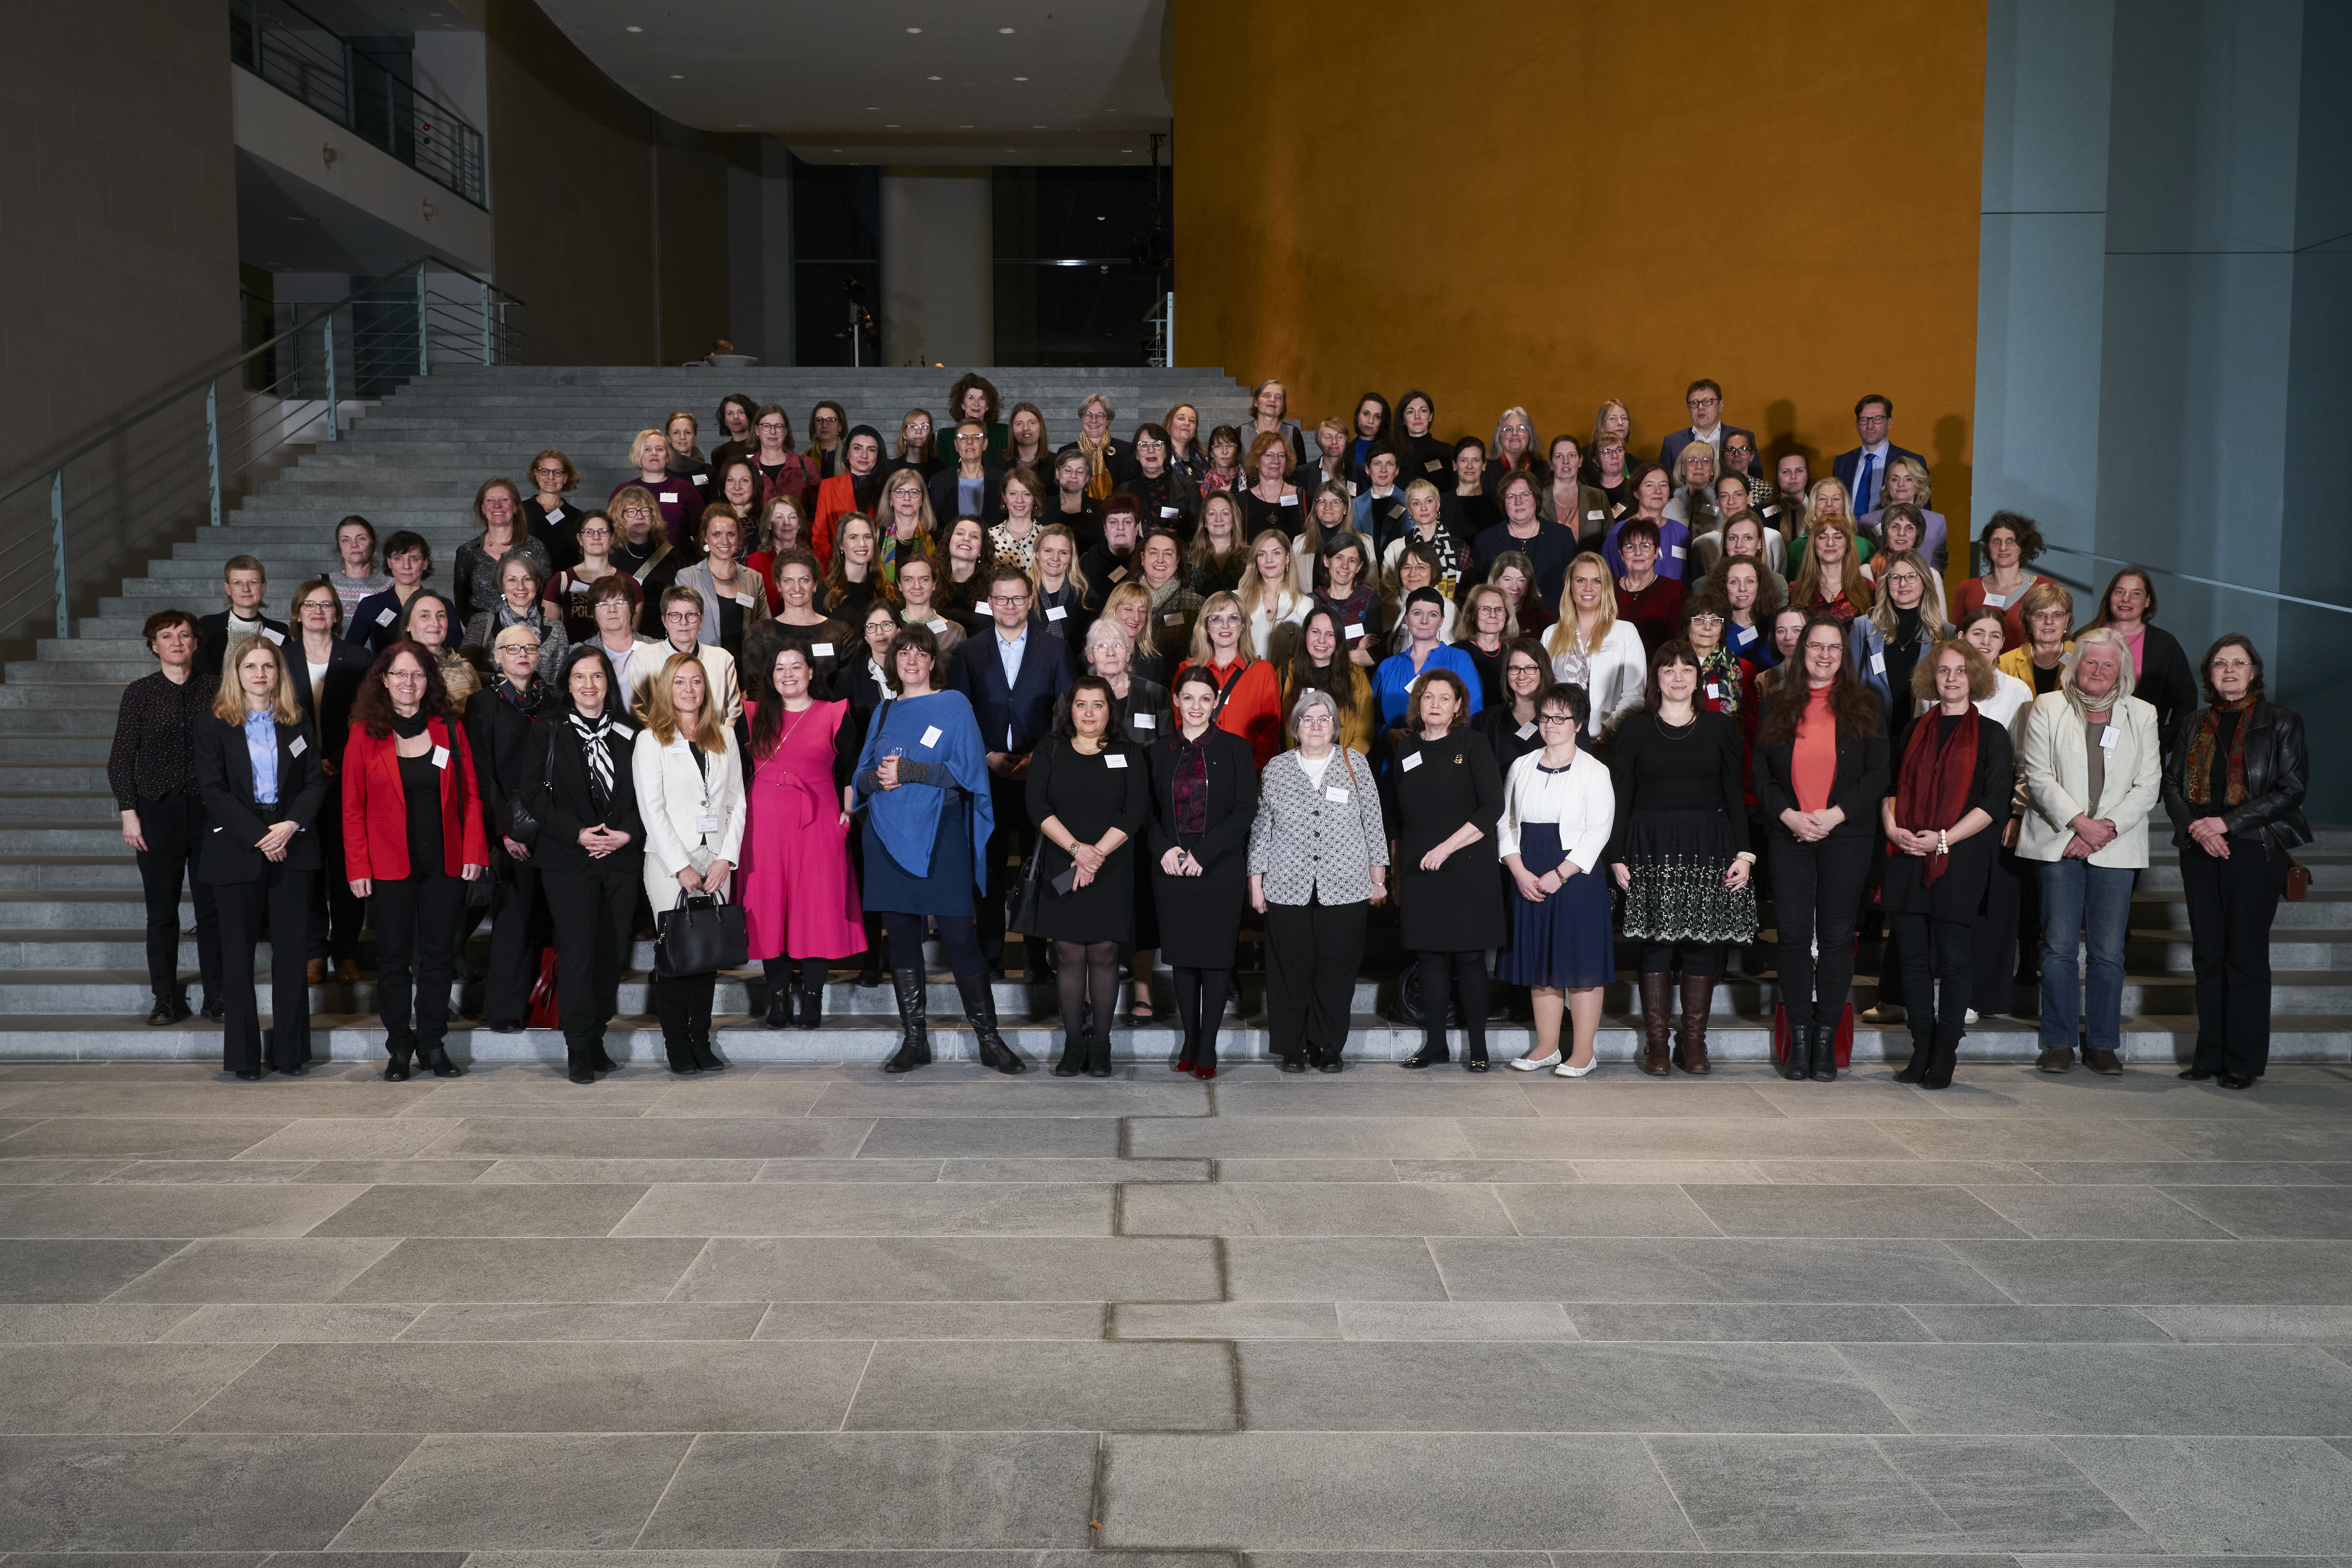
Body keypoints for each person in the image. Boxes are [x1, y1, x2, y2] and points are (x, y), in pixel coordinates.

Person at [853, 624, 1021, 1074]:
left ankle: (989, 1040)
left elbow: (968, 775)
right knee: (902, 937)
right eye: (902, 652)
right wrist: (879, 779)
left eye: (919, 653)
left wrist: (912, 771)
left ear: (931, 661)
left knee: (960, 936)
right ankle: (915, 1041)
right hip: (887, 835)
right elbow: (860, 778)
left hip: (941, 832)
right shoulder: (884, 712)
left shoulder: (954, 705)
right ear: (894, 662)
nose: (910, 660)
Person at [2163, 635, 2308, 1088]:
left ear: (2253, 672)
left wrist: (2223, 825)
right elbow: (2169, 784)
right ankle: (2208, 1055)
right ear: (2208, 674)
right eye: (2220, 664)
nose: (2229, 671)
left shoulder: (2281, 722)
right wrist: (2197, 828)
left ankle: (2242, 1060)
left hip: (2252, 848)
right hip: (2198, 850)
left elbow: (2290, 789)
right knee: (2207, 954)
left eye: (2238, 663)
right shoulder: (2191, 723)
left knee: (2243, 955)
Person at [2018, 628, 2163, 1076]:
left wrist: (2104, 830)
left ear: (2121, 669)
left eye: (2107, 664)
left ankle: (2102, 1044)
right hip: (2059, 840)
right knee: (2058, 948)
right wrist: (2079, 824)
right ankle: (2058, 1042)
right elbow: (2037, 775)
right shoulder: (2047, 707)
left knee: (2107, 952)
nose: (2097, 671)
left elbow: (2148, 785)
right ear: (2074, 665)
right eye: (2089, 662)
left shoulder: (2141, 714)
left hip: (2116, 846)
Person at [1606, 641, 1757, 1076]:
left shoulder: (1721, 728)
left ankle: (1694, 1044)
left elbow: (1733, 796)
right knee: (1655, 944)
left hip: (1708, 844)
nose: (1677, 676)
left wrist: (1744, 854)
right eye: (1667, 668)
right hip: (1648, 844)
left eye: (1686, 669)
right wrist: (1615, 855)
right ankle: (1657, 1045)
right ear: (1655, 677)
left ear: (1698, 677)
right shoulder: (1633, 730)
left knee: (1700, 943)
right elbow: (1620, 797)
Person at [342, 639, 488, 1080]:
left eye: (418, 674)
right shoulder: (364, 734)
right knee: (392, 960)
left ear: (429, 681)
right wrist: (358, 867)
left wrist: (474, 852)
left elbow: (470, 796)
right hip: (387, 868)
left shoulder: (449, 729)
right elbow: (352, 807)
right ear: (383, 679)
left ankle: (432, 1043)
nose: (409, 683)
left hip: (444, 862)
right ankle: (399, 1048)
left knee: (439, 956)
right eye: (399, 674)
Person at [1754, 614, 1890, 1082]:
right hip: (1789, 835)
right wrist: (1789, 815)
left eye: (1834, 648)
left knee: (1834, 941)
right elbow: (1761, 775)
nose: (1824, 655)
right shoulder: (1777, 703)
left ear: (1844, 654)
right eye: (1816, 646)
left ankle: (1825, 1045)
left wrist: (1833, 816)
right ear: (1802, 650)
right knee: (1792, 938)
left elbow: (1877, 775)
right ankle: (1798, 1043)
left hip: (1845, 838)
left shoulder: (1865, 704)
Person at [1879, 639, 2016, 1089]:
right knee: (1912, 961)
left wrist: (1942, 840)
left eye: (1960, 671)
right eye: (1943, 671)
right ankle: (1920, 1047)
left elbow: (1994, 803)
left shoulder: (1993, 734)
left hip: (1959, 858)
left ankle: (1945, 1054)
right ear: (1931, 677)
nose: (1951, 679)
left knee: (1955, 962)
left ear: (1973, 677)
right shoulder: (1913, 728)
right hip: (1906, 855)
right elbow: (1891, 789)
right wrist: (1892, 829)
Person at [196, 636, 326, 1080]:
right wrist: (259, 837)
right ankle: (244, 1059)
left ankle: (290, 1054)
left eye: (268, 666)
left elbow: (314, 784)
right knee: (238, 958)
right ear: (236, 673)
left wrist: (289, 826)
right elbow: (213, 791)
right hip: (237, 847)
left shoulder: (298, 720)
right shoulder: (214, 725)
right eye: (250, 666)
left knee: (292, 956)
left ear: (278, 673)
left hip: (292, 841)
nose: (260, 674)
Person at [519, 646, 644, 1083]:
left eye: (596, 677)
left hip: (620, 859)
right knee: (577, 953)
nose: (588, 686)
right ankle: (576, 1045)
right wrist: (578, 834)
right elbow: (533, 795)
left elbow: (649, 794)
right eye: (579, 678)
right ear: (566, 684)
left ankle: (596, 1036)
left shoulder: (632, 731)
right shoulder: (547, 731)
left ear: (608, 683)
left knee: (610, 953)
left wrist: (624, 833)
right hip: (568, 860)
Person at [1250, 687, 1389, 1072]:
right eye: (1307, 719)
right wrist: (1255, 880)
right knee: (1290, 969)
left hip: (1345, 883)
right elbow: (1263, 827)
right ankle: (1292, 1048)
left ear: (1335, 726)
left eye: (1323, 719)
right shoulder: (1277, 768)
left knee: (1336, 968)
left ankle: (1328, 1045)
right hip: (1285, 882)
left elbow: (1373, 822)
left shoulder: (1354, 762)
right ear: (1296, 726)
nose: (1315, 725)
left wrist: (1378, 876)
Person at [954, 562, 1075, 979]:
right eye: (1002, 598)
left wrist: (1036, 760)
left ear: (1030, 602)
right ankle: (989, 955)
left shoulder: (1054, 649)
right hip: (985, 776)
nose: (1010, 605)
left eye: (1018, 598)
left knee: (1036, 866)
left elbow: (1066, 716)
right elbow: (959, 714)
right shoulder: (969, 651)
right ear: (990, 603)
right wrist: (986, 754)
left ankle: (1035, 958)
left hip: (1036, 777)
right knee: (986, 867)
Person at [1025, 677, 1149, 1077]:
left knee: (1105, 952)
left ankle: (1101, 1044)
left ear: (1110, 711)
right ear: (1069, 709)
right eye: (1082, 705)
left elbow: (1134, 811)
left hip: (1112, 865)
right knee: (1067, 953)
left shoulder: (1127, 751)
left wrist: (1095, 856)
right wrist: (1079, 852)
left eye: (1098, 705)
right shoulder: (1050, 749)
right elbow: (1036, 805)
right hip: (1064, 864)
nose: (1090, 713)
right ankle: (1073, 1043)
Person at [1387, 669, 1507, 1072]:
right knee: (1429, 957)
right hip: (1420, 868)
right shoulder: (1404, 751)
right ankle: (1434, 1045)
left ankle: (1478, 1048)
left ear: (1458, 706)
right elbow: (1396, 816)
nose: (1434, 704)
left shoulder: (1473, 744)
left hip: (1466, 864)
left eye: (1443, 698)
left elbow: (1491, 808)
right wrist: (1394, 872)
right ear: (1417, 704)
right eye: (1427, 697)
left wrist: (1447, 847)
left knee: (1470, 958)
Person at [633, 650, 746, 1074]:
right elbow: (652, 808)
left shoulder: (724, 735)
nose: (689, 689)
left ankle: (701, 1040)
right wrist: (681, 865)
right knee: (676, 956)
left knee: (706, 956)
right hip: (669, 864)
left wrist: (726, 859)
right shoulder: (651, 739)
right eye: (680, 681)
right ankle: (677, 1044)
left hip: (715, 861)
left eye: (696, 681)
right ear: (667, 688)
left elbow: (736, 802)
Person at [111, 611, 225, 1024]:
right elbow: (121, 758)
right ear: (154, 645)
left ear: (196, 643)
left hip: (210, 813)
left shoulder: (217, 689)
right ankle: (164, 997)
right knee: (162, 912)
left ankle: (217, 995)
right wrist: (129, 812)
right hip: (157, 812)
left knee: (212, 910)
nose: (177, 642)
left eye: (184, 635)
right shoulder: (139, 694)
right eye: (166, 636)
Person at [1146, 666, 1259, 1079]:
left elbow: (1246, 809)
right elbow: (1146, 812)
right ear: (1176, 701)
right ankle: (1189, 1040)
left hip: (1219, 867)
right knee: (1182, 961)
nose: (1195, 706)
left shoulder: (1235, 748)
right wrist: (1166, 849)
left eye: (1204, 699)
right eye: (1187, 698)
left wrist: (1205, 853)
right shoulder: (1157, 751)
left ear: (1215, 703)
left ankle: (1207, 1046)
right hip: (1171, 868)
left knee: (1214, 961)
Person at [1499, 683, 1615, 1076]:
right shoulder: (1521, 765)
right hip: (1528, 866)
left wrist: (1559, 874)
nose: (1550, 725)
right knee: (1539, 961)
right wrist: (1517, 869)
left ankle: (1582, 1051)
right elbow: (1506, 822)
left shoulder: (1595, 771)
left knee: (1580, 964)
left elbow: (1598, 830)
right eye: (1545, 716)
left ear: (1578, 724)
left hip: (1575, 873)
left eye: (1560, 718)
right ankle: (1547, 1046)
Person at [465, 623, 552, 1035]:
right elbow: (483, 774)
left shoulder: (553, 700)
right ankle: (504, 1009)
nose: (523, 654)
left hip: (553, 824)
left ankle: (543, 1006)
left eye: (530, 648)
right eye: (512, 648)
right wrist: (505, 831)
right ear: (496, 656)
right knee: (514, 917)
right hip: (510, 828)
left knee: (547, 918)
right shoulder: (482, 704)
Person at [285, 578, 373, 983]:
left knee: (346, 866)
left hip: (347, 775)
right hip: (297, 779)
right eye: (310, 605)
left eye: (326, 605)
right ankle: (313, 950)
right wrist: (309, 764)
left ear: (337, 613)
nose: (318, 612)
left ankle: (347, 951)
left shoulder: (358, 657)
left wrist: (335, 761)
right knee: (307, 868)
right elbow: (272, 719)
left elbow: (367, 717)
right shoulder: (279, 659)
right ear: (298, 612)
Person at [2077, 566, 2199, 745]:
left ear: (2148, 601)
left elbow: (2187, 701)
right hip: (2084, 738)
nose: (2126, 599)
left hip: (2141, 742)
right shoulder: (2085, 637)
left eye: (2136, 594)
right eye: (2120, 592)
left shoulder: (2165, 644)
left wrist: (2164, 741)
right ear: (2110, 596)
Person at [1850, 550, 1948, 758]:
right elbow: (1849, 683)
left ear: (1925, 582)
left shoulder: (1944, 633)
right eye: (1895, 577)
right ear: (1887, 583)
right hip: (1871, 735)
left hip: (1923, 738)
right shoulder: (1864, 627)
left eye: (1911, 576)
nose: (1903, 584)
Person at [1544, 552, 1647, 739]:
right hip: (1558, 738)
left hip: (1607, 739)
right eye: (1581, 581)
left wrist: (1607, 732)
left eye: (1596, 581)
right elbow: (1542, 691)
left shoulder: (1625, 632)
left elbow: (1635, 696)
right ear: (1570, 586)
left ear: (1605, 587)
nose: (1588, 588)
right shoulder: (1550, 635)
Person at [1179, 589, 1286, 768]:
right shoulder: (1187, 670)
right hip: (1196, 770)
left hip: (1245, 771)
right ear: (1206, 626)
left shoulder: (1263, 672)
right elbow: (1178, 723)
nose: (1225, 625)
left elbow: (1270, 734)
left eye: (1233, 618)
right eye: (1217, 619)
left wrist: (1254, 776)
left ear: (1243, 624)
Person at [671, 508, 773, 669]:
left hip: (747, 671)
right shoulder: (687, 578)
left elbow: (765, 629)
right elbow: (678, 631)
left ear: (738, 537)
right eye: (717, 534)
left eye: (731, 534)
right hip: (703, 670)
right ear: (705, 537)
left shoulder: (754, 578)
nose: (725, 541)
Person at [1374, 586, 1484, 731]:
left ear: (1441, 621)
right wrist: (1388, 734)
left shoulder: (1460, 660)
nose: (1424, 621)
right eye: (1417, 613)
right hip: (1396, 751)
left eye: (1433, 615)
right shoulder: (1387, 667)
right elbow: (1369, 722)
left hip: (1447, 750)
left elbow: (1474, 716)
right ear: (1406, 619)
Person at [453, 476, 553, 629]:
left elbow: (548, 597)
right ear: (482, 508)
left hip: (528, 637)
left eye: (504, 500)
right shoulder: (467, 553)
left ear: (515, 508)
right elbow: (462, 604)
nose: (497, 506)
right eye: (490, 501)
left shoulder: (536, 548)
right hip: (483, 638)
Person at [462, 553, 568, 689]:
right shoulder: (481, 623)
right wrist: (509, 682)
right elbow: (464, 673)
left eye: (527, 579)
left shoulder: (557, 629)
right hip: (492, 707)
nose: (521, 587)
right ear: (502, 584)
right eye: (512, 580)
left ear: (537, 583)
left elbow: (560, 684)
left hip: (542, 708)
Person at [1952, 510, 2053, 652]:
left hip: (2027, 672)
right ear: (1988, 546)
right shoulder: (1967, 588)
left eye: (2011, 541)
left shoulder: (2044, 588)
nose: (2003, 548)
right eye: (1996, 541)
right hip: (1977, 671)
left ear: (2022, 546)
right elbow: (1956, 641)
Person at [1472, 470, 1575, 606]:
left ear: (1536, 498)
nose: (1518, 502)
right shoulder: (1485, 541)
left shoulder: (1562, 536)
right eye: (1511, 496)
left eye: (1525, 495)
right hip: (1502, 622)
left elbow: (1574, 584)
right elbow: (1476, 593)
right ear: (1503, 502)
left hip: (1554, 622)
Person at [642, 587, 741, 723]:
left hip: (715, 740)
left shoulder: (723, 659)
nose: (684, 622)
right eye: (675, 615)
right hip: (660, 741)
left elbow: (733, 712)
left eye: (691, 615)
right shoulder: (644, 658)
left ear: (701, 621)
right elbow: (638, 712)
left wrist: (718, 740)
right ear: (664, 621)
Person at [543, 512, 641, 642]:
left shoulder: (630, 584)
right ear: (580, 539)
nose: (596, 537)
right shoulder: (560, 582)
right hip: (573, 659)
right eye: (589, 532)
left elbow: (631, 638)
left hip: (615, 660)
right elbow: (550, 638)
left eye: (603, 531)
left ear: (612, 538)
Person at [196, 556, 288, 683]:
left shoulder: (280, 631)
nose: (246, 589)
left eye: (253, 582)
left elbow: (284, 678)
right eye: (238, 583)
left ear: (263, 587)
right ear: (228, 588)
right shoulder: (207, 626)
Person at [1832, 393, 1926, 518]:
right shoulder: (1842, 462)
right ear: (1857, 425)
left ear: (1890, 423)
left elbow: (1923, 512)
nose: (1870, 426)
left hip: (1893, 535)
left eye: (1877, 419)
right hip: (1849, 536)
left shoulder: (1912, 461)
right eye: (1864, 419)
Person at [1473, 636, 1553, 771]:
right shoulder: (1486, 721)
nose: (1522, 676)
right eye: (1515, 669)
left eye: (1530, 668)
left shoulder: (1564, 718)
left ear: (1543, 670)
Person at [613, 427, 702, 547]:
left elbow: (703, 531)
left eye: (660, 449)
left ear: (667, 455)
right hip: (634, 562)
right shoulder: (623, 491)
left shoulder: (685, 489)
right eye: (647, 449)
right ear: (638, 454)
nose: (654, 453)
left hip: (680, 562)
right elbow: (613, 532)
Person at [1855, 454, 1948, 570]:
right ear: (1887, 485)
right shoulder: (1867, 522)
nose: (1901, 484)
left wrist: (1926, 583)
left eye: (1909, 479)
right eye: (1895, 479)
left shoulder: (1937, 522)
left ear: (1918, 485)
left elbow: (1940, 561)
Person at [1601, 464, 1691, 582]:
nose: (1658, 491)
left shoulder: (1681, 532)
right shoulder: (1619, 531)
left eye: (1663, 485)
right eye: (1650, 485)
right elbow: (1609, 577)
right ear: (1636, 493)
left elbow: (1689, 578)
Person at [814, 424, 888, 567]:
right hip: (838, 566)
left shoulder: (889, 488)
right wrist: (838, 565)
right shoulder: (828, 486)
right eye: (857, 448)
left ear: (878, 456)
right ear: (847, 453)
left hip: (878, 567)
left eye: (871, 450)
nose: (864, 455)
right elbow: (820, 538)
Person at [580, 575, 662, 704]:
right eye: (603, 604)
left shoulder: (658, 649)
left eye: (619, 603)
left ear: (632, 609)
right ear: (593, 613)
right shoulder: (580, 653)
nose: (612, 610)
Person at [1611, 518, 1686, 657]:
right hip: (1613, 666)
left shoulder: (1674, 590)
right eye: (1630, 547)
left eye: (1645, 546)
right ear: (1621, 554)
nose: (1638, 553)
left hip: (1659, 668)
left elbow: (1679, 641)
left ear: (1657, 552)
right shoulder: (1608, 589)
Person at [608, 486, 681, 629]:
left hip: (663, 633)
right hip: (620, 633)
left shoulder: (671, 556)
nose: (640, 516)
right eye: (631, 511)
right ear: (618, 516)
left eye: (645, 511)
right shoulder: (609, 555)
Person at [394, 590, 477, 714]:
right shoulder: (396, 669)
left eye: (441, 616)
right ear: (408, 625)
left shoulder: (465, 667)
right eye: (425, 616)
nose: (435, 623)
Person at [1239, 528, 1312, 660]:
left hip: (1286, 678)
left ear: (1288, 557)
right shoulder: (1238, 599)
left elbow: (1306, 653)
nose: (1269, 560)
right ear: (1255, 560)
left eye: (1276, 553)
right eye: (1262, 554)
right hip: (1247, 676)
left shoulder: (1304, 604)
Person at [1314, 529, 1386, 664]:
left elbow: (1375, 655)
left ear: (1359, 567)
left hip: (1358, 680)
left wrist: (1324, 658)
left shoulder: (1370, 599)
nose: (1345, 566)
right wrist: (1353, 655)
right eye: (1339, 558)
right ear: (1326, 561)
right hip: (1320, 680)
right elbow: (1306, 654)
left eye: (1352, 561)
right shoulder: (1313, 601)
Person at [1659, 378, 1757, 477]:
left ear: (1720, 406)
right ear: (1688, 408)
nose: (1701, 407)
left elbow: (1755, 477)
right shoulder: (1672, 442)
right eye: (1694, 403)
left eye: (1707, 401)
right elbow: (1665, 481)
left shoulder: (1743, 438)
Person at [1789, 514, 1872, 625]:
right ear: (1814, 543)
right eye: (1823, 537)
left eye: (1838, 537)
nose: (1830, 543)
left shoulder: (1868, 589)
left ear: (1848, 544)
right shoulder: (1795, 589)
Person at [1997, 580, 2076, 697]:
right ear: (2028, 619)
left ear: (2067, 620)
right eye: (2040, 615)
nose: (2049, 622)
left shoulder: (2082, 658)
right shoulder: (2006, 663)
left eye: (2057, 615)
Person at [930, 421, 1005, 541]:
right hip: (949, 552)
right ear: (956, 445)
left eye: (976, 438)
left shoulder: (1002, 480)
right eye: (963, 438)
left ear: (985, 444)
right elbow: (935, 526)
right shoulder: (939, 482)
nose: (969, 442)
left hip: (993, 551)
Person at [1130, 425, 1201, 539]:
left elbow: (1197, 533)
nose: (1151, 450)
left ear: (1167, 452)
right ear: (1137, 454)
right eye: (1144, 445)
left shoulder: (1188, 488)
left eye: (1157, 445)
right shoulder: (1125, 491)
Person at [1453, 582, 1514, 708]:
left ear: (1507, 616)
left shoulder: (1514, 654)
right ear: (1473, 615)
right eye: (1485, 609)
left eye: (1499, 610)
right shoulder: (1455, 653)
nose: (1493, 615)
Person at [825, 513, 893, 625]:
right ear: (841, 544)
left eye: (867, 537)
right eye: (854, 538)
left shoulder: (888, 592)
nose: (862, 544)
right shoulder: (824, 592)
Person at [1541, 435, 1608, 541]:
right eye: (1559, 456)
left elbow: (1611, 542)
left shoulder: (1599, 497)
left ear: (1581, 461)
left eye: (1572, 455)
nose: (1566, 461)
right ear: (1551, 464)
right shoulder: (1537, 499)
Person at [748, 403, 813, 512]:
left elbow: (817, 510)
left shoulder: (806, 465)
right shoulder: (747, 468)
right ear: (757, 430)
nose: (772, 432)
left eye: (778, 426)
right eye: (766, 426)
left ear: (786, 431)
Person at [328, 516, 392, 618]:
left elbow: (387, 625)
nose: (354, 545)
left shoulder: (390, 585)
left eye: (361, 538)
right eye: (346, 540)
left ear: (373, 545)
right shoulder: (326, 583)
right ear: (340, 548)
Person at [1189, 492, 1249, 596]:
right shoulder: (1189, 559)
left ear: (1234, 519)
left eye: (1225, 513)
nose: (1219, 519)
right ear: (1205, 522)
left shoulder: (1252, 556)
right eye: (1212, 514)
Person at [1238, 378, 1307, 466]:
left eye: (1278, 397)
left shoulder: (1293, 434)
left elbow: (1303, 472)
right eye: (1267, 395)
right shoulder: (1240, 433)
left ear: (1283, 406)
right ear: (1256, 402)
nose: (1273, 400)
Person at [990, 467, 1049, 570]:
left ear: (1034, 498)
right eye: (1013, 493)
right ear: (1004, 497)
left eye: (1026, 494)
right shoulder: (990, 537)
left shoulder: (1048, 536)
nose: (1019, 500)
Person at [1163, 402, 1208, 482]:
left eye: (1192, 421)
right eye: (1181, 419)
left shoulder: (1202, 460)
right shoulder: (1161, 457)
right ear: (1170, 423)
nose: (1187, 423)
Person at [804, 399, 847, 480]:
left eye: (831, 420)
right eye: (819, 420)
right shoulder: (803, 458)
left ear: (840, 426)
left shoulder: (852, 456)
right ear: (814, 425)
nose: (824, 425)